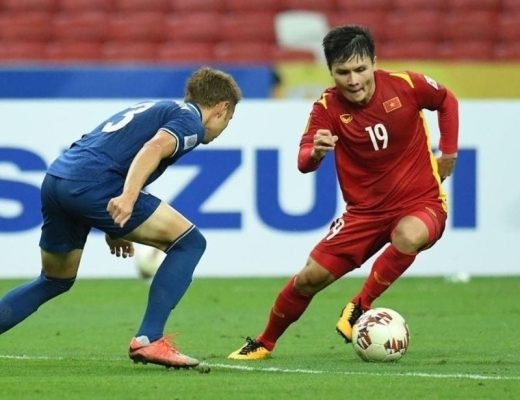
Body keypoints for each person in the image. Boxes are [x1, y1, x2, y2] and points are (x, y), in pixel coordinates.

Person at [228, 25, 458, 360]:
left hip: (421, 202)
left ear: (374, 62)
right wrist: (316, 153)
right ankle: (265, 342)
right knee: (309, 278)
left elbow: (446, 100)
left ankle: (360, 304)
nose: (353, 80)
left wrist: (448, 153)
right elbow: (303, 162)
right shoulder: (326, 108)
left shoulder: (407, 85)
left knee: (409, 235)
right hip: (364, 214)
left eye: (360, 69)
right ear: (331, 71)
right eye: (343, 72)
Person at [0, 66, 242, 369]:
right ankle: (149, 338)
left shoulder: (158, 108)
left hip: (59, 178)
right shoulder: (190, 122)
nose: (224, 127)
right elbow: (153, 148)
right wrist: (127, 197)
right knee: (190, 243)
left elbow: (109, 150)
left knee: (54, 279)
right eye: (229, 119)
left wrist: (114, 227)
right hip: (93, 184)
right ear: (222, 108)